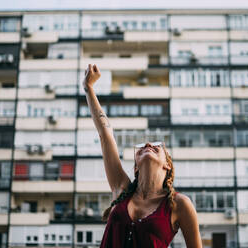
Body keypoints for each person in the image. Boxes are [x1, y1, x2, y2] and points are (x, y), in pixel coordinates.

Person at [83, 63, 203, 248]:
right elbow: (105, 134)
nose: (148, 145)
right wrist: (89, 88)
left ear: (167, 165)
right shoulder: (121, 189)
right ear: (136, 165)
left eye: (156, 146)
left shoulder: (179, 204)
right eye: (141, 147)